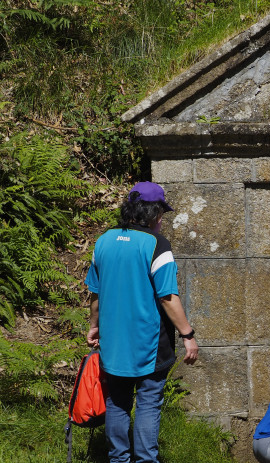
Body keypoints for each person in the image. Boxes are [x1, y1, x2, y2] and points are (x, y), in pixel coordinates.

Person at [85, 181, 199, 463]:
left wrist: (94, 325)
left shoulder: (104, 241)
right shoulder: (157, 245)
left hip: (113, 342)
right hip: (150, 343)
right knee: (148, 404)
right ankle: (147, 460)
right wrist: (188, 334)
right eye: (161, 214)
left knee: (117, 402)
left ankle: (118, 459)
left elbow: (96, 293)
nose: (161, 221)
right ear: (153, 213)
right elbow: (168, 297)